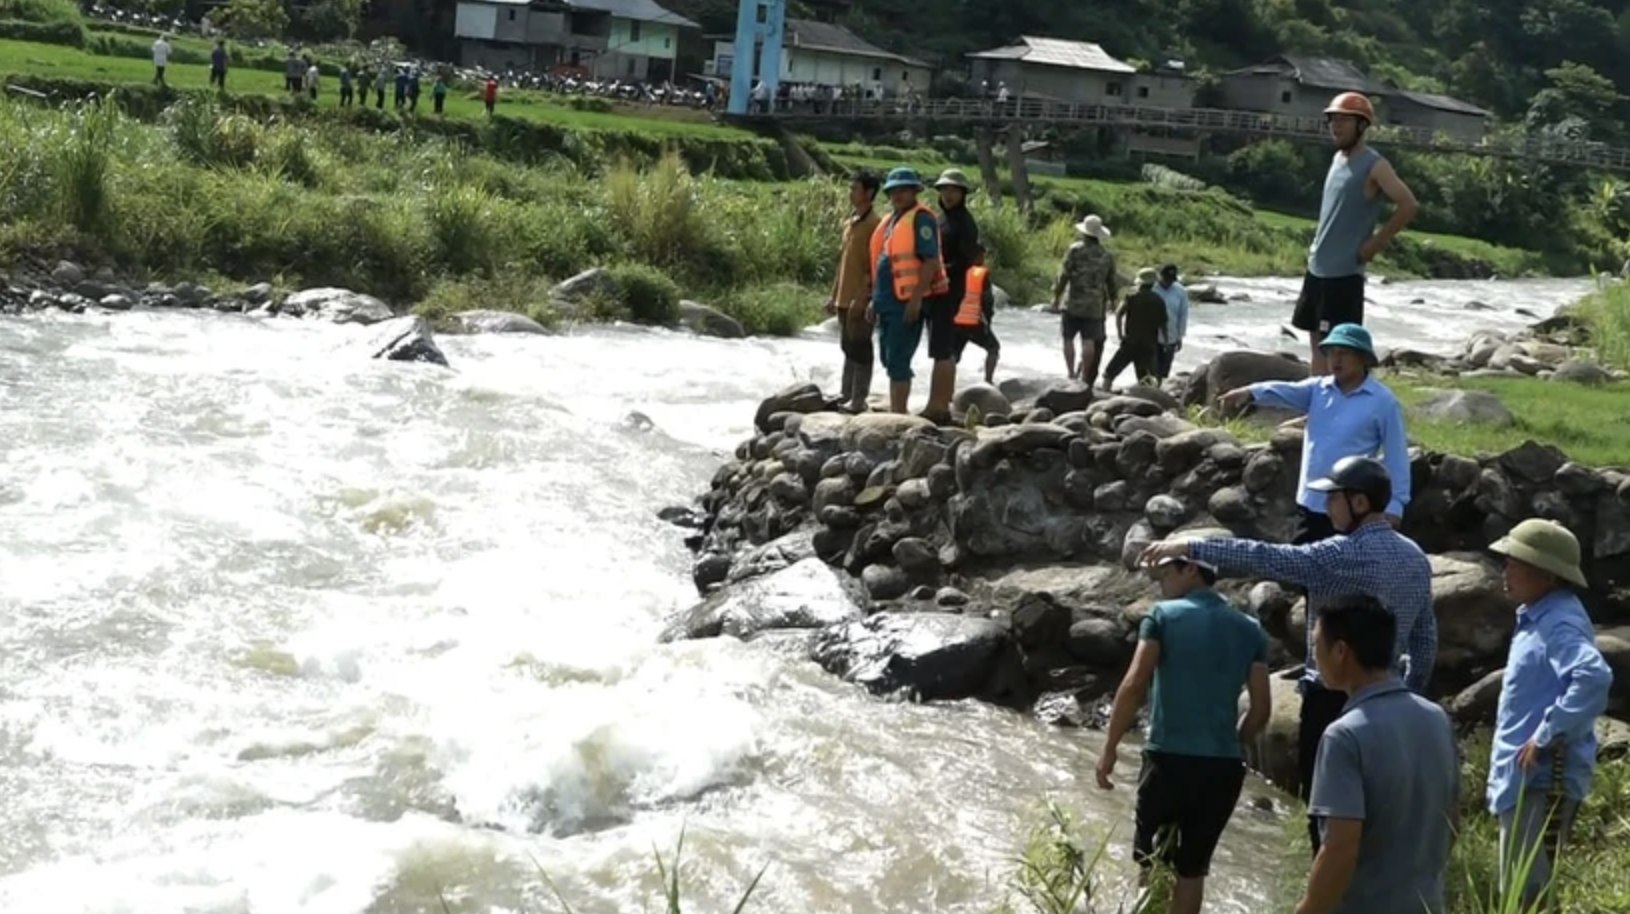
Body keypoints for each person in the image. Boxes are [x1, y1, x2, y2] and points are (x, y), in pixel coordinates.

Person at [1139, 455, 1436, 856]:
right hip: (1392, 699)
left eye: (1333, 498)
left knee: (1328, 821)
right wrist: (1410, 697)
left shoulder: (1338, 554)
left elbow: (1268, 557)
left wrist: (1191, 545)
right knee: (1378, 820)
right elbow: (1424, 641)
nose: (1325, 507)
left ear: (1360, 504)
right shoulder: (1416, 558)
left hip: (1333, 701)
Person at [1098, 555, 1270, 914]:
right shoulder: (1250, 628)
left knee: (1153, 862)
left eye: (1165, 574)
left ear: (1190, 570)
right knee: (1193, 870)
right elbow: (1260, 711)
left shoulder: (1163, 616)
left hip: (1168, 760)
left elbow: (1134, 684)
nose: (1161, 582)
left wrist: (1110, 748)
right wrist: (1234, 741)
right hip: (1223, 769)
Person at [1293, 596, 1458, 914]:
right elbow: (1451, 820)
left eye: (1316, 647)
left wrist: (1308, 908)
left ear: (1340, 651)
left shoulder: (1344, 735)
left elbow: (1340, 848)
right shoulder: (1436, 717)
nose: (1314, 659)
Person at [1485, 519, 1614, 911]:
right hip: (1528, 778)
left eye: (1515, 561)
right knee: (1524, 887)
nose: (1506, 570)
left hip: (1541, 778)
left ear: (1546, 574)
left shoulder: (1558, 621)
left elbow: (1593, 677)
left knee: (1529, 895)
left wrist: (1546, 734)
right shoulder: (1540, 613)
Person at [1216, 323, 1408, 540]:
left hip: (1350, 508)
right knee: (1300, 567)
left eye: (1343, 353)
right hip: (1310, 501)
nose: (1336, 359)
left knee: (1343, 570)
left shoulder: (1382, 401)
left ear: (1363, 358)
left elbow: (1397, 456)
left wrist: (1395, 505)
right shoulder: (1319, 389)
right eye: (1331, 353)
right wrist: (1249, 392)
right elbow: (1284, 391)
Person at [1296, 92, 1418, 375]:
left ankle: (1342, 408)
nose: (1335, 126)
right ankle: (1317, 408)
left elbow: (1408, 204)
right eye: (1332, 120)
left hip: (1343, 275)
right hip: (1317, 268)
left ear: (1361, 125)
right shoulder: (1337, 158)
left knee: (1339, 350)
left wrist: (1372, 246)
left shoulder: (1375, 164)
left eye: (1343, 121)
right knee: (1316, 343)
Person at [864, 167, 948, 414]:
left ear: (914, 192)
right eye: (894, 191)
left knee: (899, 359)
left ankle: (898, 415)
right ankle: (895, 410)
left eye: (904, 190)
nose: (899, 195)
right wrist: (873, 301)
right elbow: (883, 261)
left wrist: (915, 300)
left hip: (905, 302)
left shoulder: (921, 218)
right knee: (888, 358)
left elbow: (930, 262)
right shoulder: (891, 220)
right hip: (886, 301)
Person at [825, 170, 882, 413]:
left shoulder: (875, 225)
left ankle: (859, 399)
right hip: (843, 296)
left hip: (860, 296)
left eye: (854, 189)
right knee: (847, 345)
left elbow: (875, 265)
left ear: (869, 193)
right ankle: (846, 392)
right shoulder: (850, 223)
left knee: (860, 346)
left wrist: (864, 296)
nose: (850, 192)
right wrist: (833, 293)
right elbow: (843, 263)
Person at [929, 169, 983, 421]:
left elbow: (966, 261)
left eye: (953, 190)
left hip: (952, 291)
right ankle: (943, 400)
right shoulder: (943, 219)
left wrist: (937, 271)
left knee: (943, 348)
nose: (948, 194)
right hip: (939, 289)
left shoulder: (963, 223)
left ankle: (938, 405)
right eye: (944, 190)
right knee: (943, 347)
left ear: (963, 194)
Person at [1050, 215, 1118, 389]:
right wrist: (1113, 299)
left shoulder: (1075, 250)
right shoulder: (1106, 255)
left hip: (1073, 301)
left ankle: (1071, 372)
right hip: (1095, 305)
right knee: (1088, 341)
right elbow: (1111, 281)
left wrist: (1056, 296)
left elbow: (1063, 275)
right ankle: (1085, 375)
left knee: (1068, 338)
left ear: (1084, 233)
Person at [1101, 267, 1169, 390]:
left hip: (1130, 342)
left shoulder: (1131, 296)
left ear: (1139, 282)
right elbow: (1163, 325)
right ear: (1153, 283)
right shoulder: (1159, 300)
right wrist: (1165, 342)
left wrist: (1120, 333)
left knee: (1110, 373)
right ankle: (1149, 401)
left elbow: (1118, 314)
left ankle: (1103, 393)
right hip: (1148, 345)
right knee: (1146, 378)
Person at [951, 243, 1000, 385]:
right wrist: (987, 323)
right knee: (993, 348)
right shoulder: (981, 274)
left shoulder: (957, 271)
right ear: (977, 256)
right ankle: (988, 381)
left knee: (953, 356)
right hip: (975, 322)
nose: (983, 258)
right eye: (982, 255)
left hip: (957, 322)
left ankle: (947, 386)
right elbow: (987, 302)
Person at [1153, 263, 1188, 380]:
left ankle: (1159, 392)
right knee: (1152, 367)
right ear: (1160, 275)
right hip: (1152, 335)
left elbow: (1183, 315)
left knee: (1165, 369)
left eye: (1171, 280)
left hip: (1171, 335)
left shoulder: (1180, 291)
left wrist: (1180, 337)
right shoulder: (1152, 288)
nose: (1168, 282)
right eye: (1166, 279)